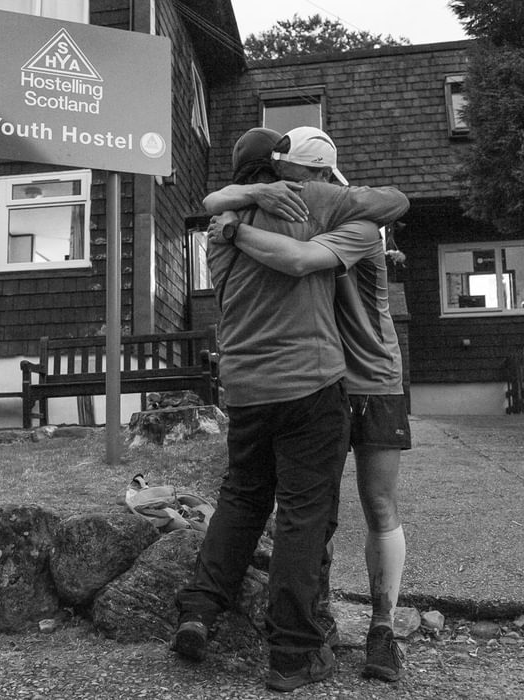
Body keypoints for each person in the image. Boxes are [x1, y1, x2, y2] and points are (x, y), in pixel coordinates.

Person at [172, 126, 408, 693]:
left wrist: (235, 213)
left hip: (247, 386)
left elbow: (213, 209)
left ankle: (198, 612)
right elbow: (390, 204)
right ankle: (295, 653)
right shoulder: (315, 201)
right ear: (285, 167)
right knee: (309, 513)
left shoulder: (220, 229)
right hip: (313, 380)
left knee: (242, 497)